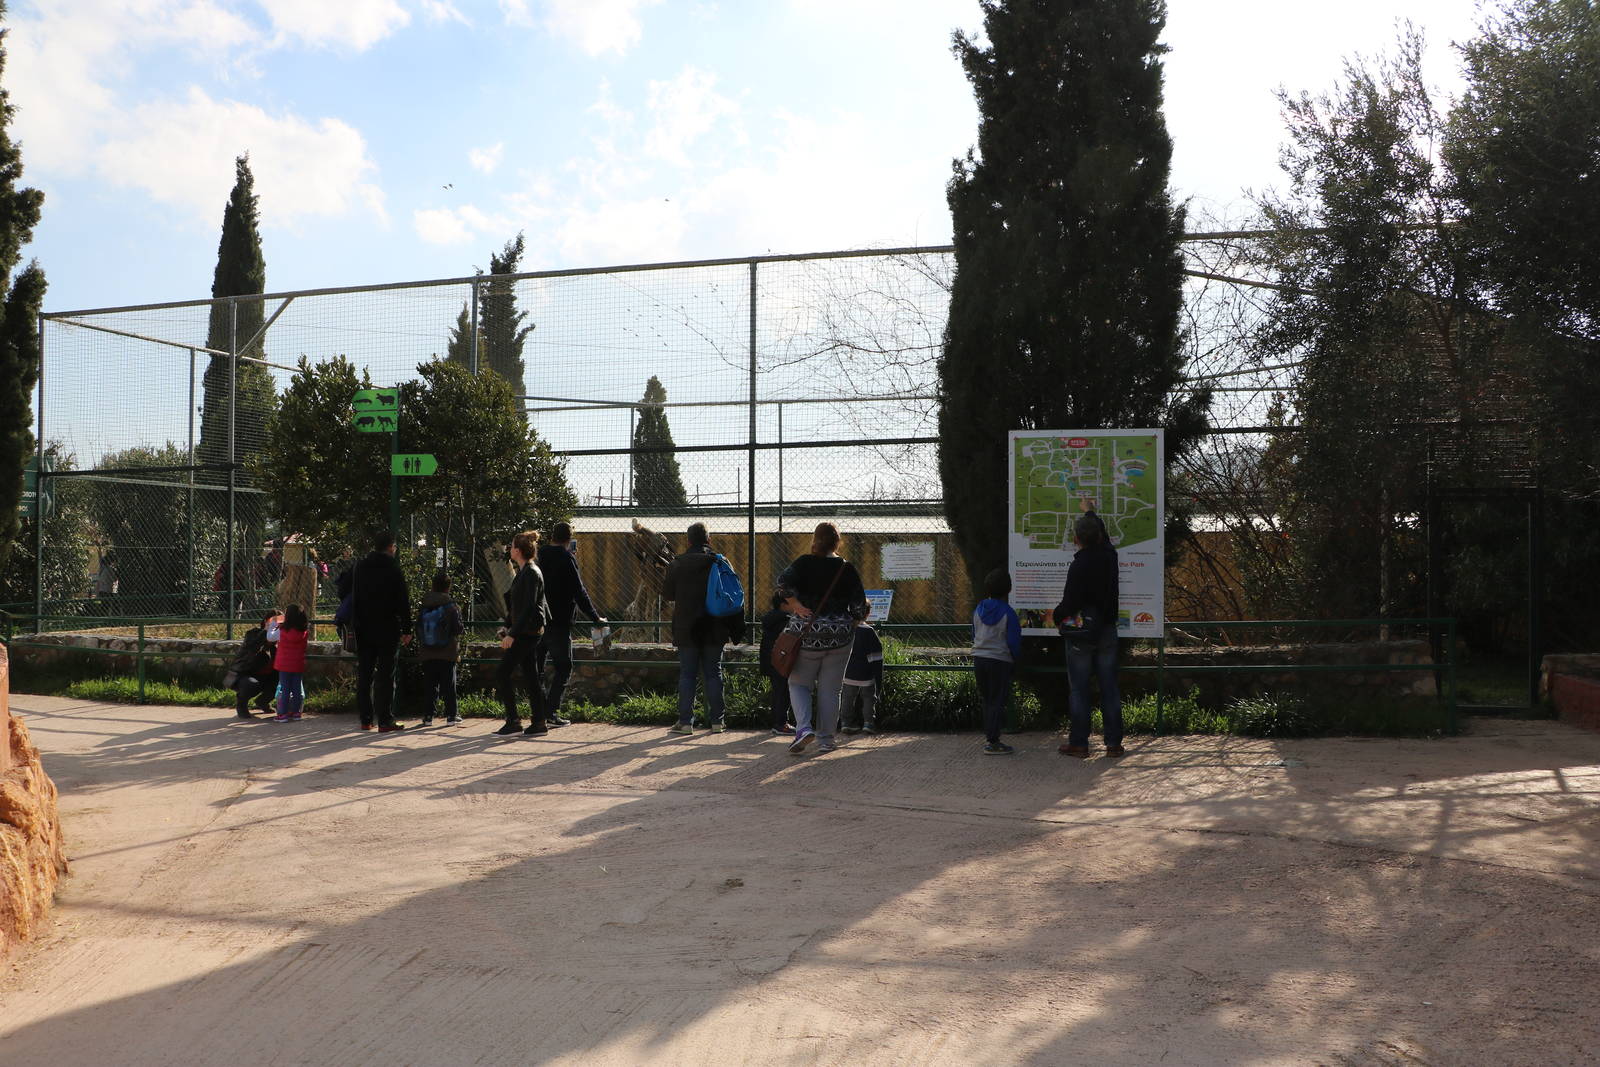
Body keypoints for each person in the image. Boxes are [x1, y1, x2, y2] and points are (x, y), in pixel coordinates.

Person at [778, 522, 867, 755]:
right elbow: (859, 605)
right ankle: (826, 740)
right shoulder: (846, 568)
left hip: (807, 636)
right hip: (840, 638)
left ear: (815, 539)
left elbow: (782, 582)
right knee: (831, 690)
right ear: (838, 542)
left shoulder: (804, 563)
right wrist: (851, 622)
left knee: (799, 684)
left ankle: (804, 729)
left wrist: (796, 604)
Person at [660, 522, 744, 735]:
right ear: (709, 539)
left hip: (686, 627)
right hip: (715, 625)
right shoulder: (720, 561)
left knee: (687, 674)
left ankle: (686, 722)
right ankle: (717, 722)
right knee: (714, 672)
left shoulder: (677, 564)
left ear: (688, 541)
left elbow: (668, 595)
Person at [1055, 511, 1123, 758]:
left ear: (1076, 539)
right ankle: (1113, 743)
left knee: (1079, 689)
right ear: (1101, 536)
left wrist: (1057, 616)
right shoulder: (1110, 558)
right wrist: (1091, 515)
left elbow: (1070, 602)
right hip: (1107, 629)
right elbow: (1104, 540)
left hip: (1081, 634)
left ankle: (1079, 743)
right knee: (1109, 688)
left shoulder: (1079, 565)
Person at [536, 521, 607, 726]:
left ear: (552, 536)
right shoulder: (567, 558)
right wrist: (595, 617)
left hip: (539, 619)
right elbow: (579, 590)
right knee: (564, 667)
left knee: (537, 667)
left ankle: (539, 711)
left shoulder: (540, 555)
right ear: (569, 539)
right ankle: (551, 712)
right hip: (559, 620)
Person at [351, 528, 412, 733]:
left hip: (363, 627)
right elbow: (402, 600)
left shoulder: (360, 566)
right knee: (386, 675)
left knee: (364, 674)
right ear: (391, 547)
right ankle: (385, 720)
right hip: (387, 627)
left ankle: (365, 719)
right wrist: (407, 628)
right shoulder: (393, 568)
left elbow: (355, 595)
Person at [496, 530, 552, 737]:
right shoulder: (524, 571)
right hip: (526, 630)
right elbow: (516, 606)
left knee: (502, 673)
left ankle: (514, 721)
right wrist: (507, 626)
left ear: (518, 551)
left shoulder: (531, 573)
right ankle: (539, 722)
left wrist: (512, 634)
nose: (509, 549)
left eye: (512, 546)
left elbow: (528, 607)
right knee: (530, 676)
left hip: (528, 632)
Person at [972, 568, 1021, 755]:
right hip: (1000, 660)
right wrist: (1016, 659)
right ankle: (993, 741)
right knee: (997, 700)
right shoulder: (1008, 612)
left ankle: (990, 737)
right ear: (1008, 589)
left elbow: (974, 633)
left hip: (980, 658)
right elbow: (1013, 641)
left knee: (987, 700)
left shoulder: (978, 609)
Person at [416, 570, 465, 727]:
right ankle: (451, 716)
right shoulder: (451, 606)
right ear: (448, 587)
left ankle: (428, 716)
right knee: (449, 685)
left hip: (427, 652)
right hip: (447, 652)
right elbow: (458, 629)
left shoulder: (424, 605)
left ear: (433, 586)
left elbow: (418, 628)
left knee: (430, 685)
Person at [224, 611, 280, 721]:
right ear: (265, 622)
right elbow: (252, 646)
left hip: (266, 675)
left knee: (283, 681)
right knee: (251, 684)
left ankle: (262, 701)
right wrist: (266, 631)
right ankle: (241, 705)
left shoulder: (279, 639)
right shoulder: (253, 634)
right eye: (273, 622)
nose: (276, 625)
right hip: (244, 674)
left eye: (279, 623)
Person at [839, 606, 883, 735]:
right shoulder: (869, 631)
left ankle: (846, 722)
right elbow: (876, 656)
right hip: (866, 672)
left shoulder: (845, 629)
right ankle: (868, 723)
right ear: (868, 613)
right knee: (869, 698)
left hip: (847, 671)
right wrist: (878, 677)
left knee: (847, 698)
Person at [759, 593, 794, 735]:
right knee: (783, 693)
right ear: (783, 605)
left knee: (778, 691)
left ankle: (778, 722)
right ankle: (781, 723)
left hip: (771, 660)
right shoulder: (785, 620)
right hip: (782, 661)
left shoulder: (771, 619)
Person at [273, 604, 310, 723]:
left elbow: (270, 636)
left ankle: (283, 714)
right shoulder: (304, 632)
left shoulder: (282, 630)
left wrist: (275, 622)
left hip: (284, 664)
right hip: (298, 663)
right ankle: (296, 712)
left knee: (285, 689)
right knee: (296, 689)